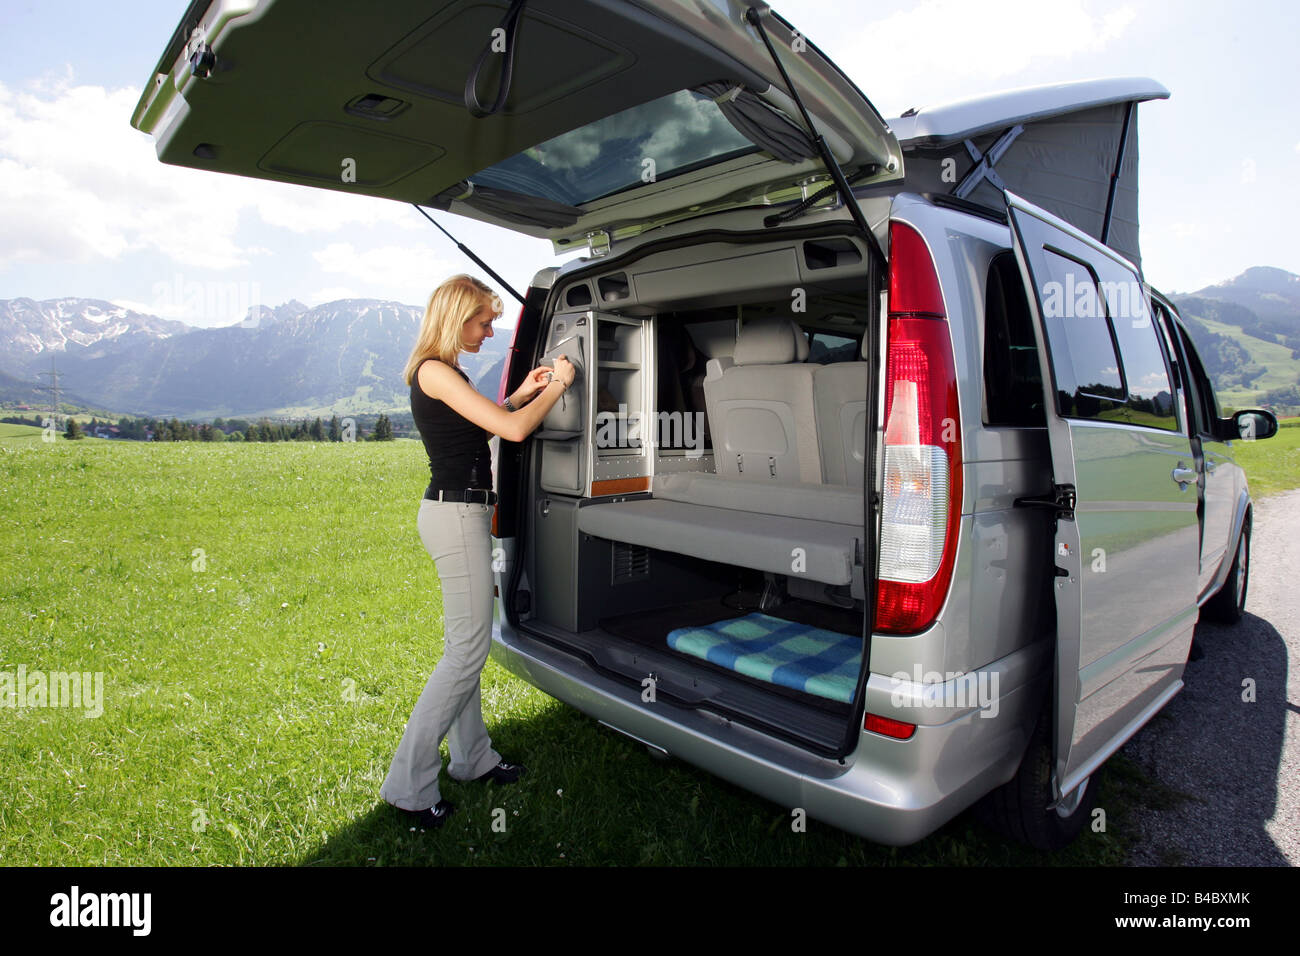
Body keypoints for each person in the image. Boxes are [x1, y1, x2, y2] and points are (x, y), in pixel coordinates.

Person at [380, 274, 576, 829]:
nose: (491, 331)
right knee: (466, 653)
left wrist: (524, 391)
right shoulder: (436, 371)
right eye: (484, 321)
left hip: (456, 511)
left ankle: (472, 759)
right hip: (455, 514)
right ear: (455, 316)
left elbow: (481, 432)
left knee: (462, 646)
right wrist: (559, 385)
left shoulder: (440, 372)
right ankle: (407, 787)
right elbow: (512, 433)